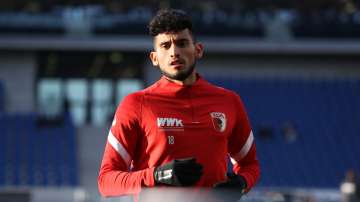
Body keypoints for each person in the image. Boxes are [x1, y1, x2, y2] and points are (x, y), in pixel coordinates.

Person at [98, 8, 260, 201]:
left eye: (182, 43)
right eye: (165, 46)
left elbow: (250, 165)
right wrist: (157, 175)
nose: (174, 52)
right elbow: (106, 182)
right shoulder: (136, 104)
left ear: (198, 50)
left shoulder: (229, 101)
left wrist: (241, 183)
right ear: (154, 58)